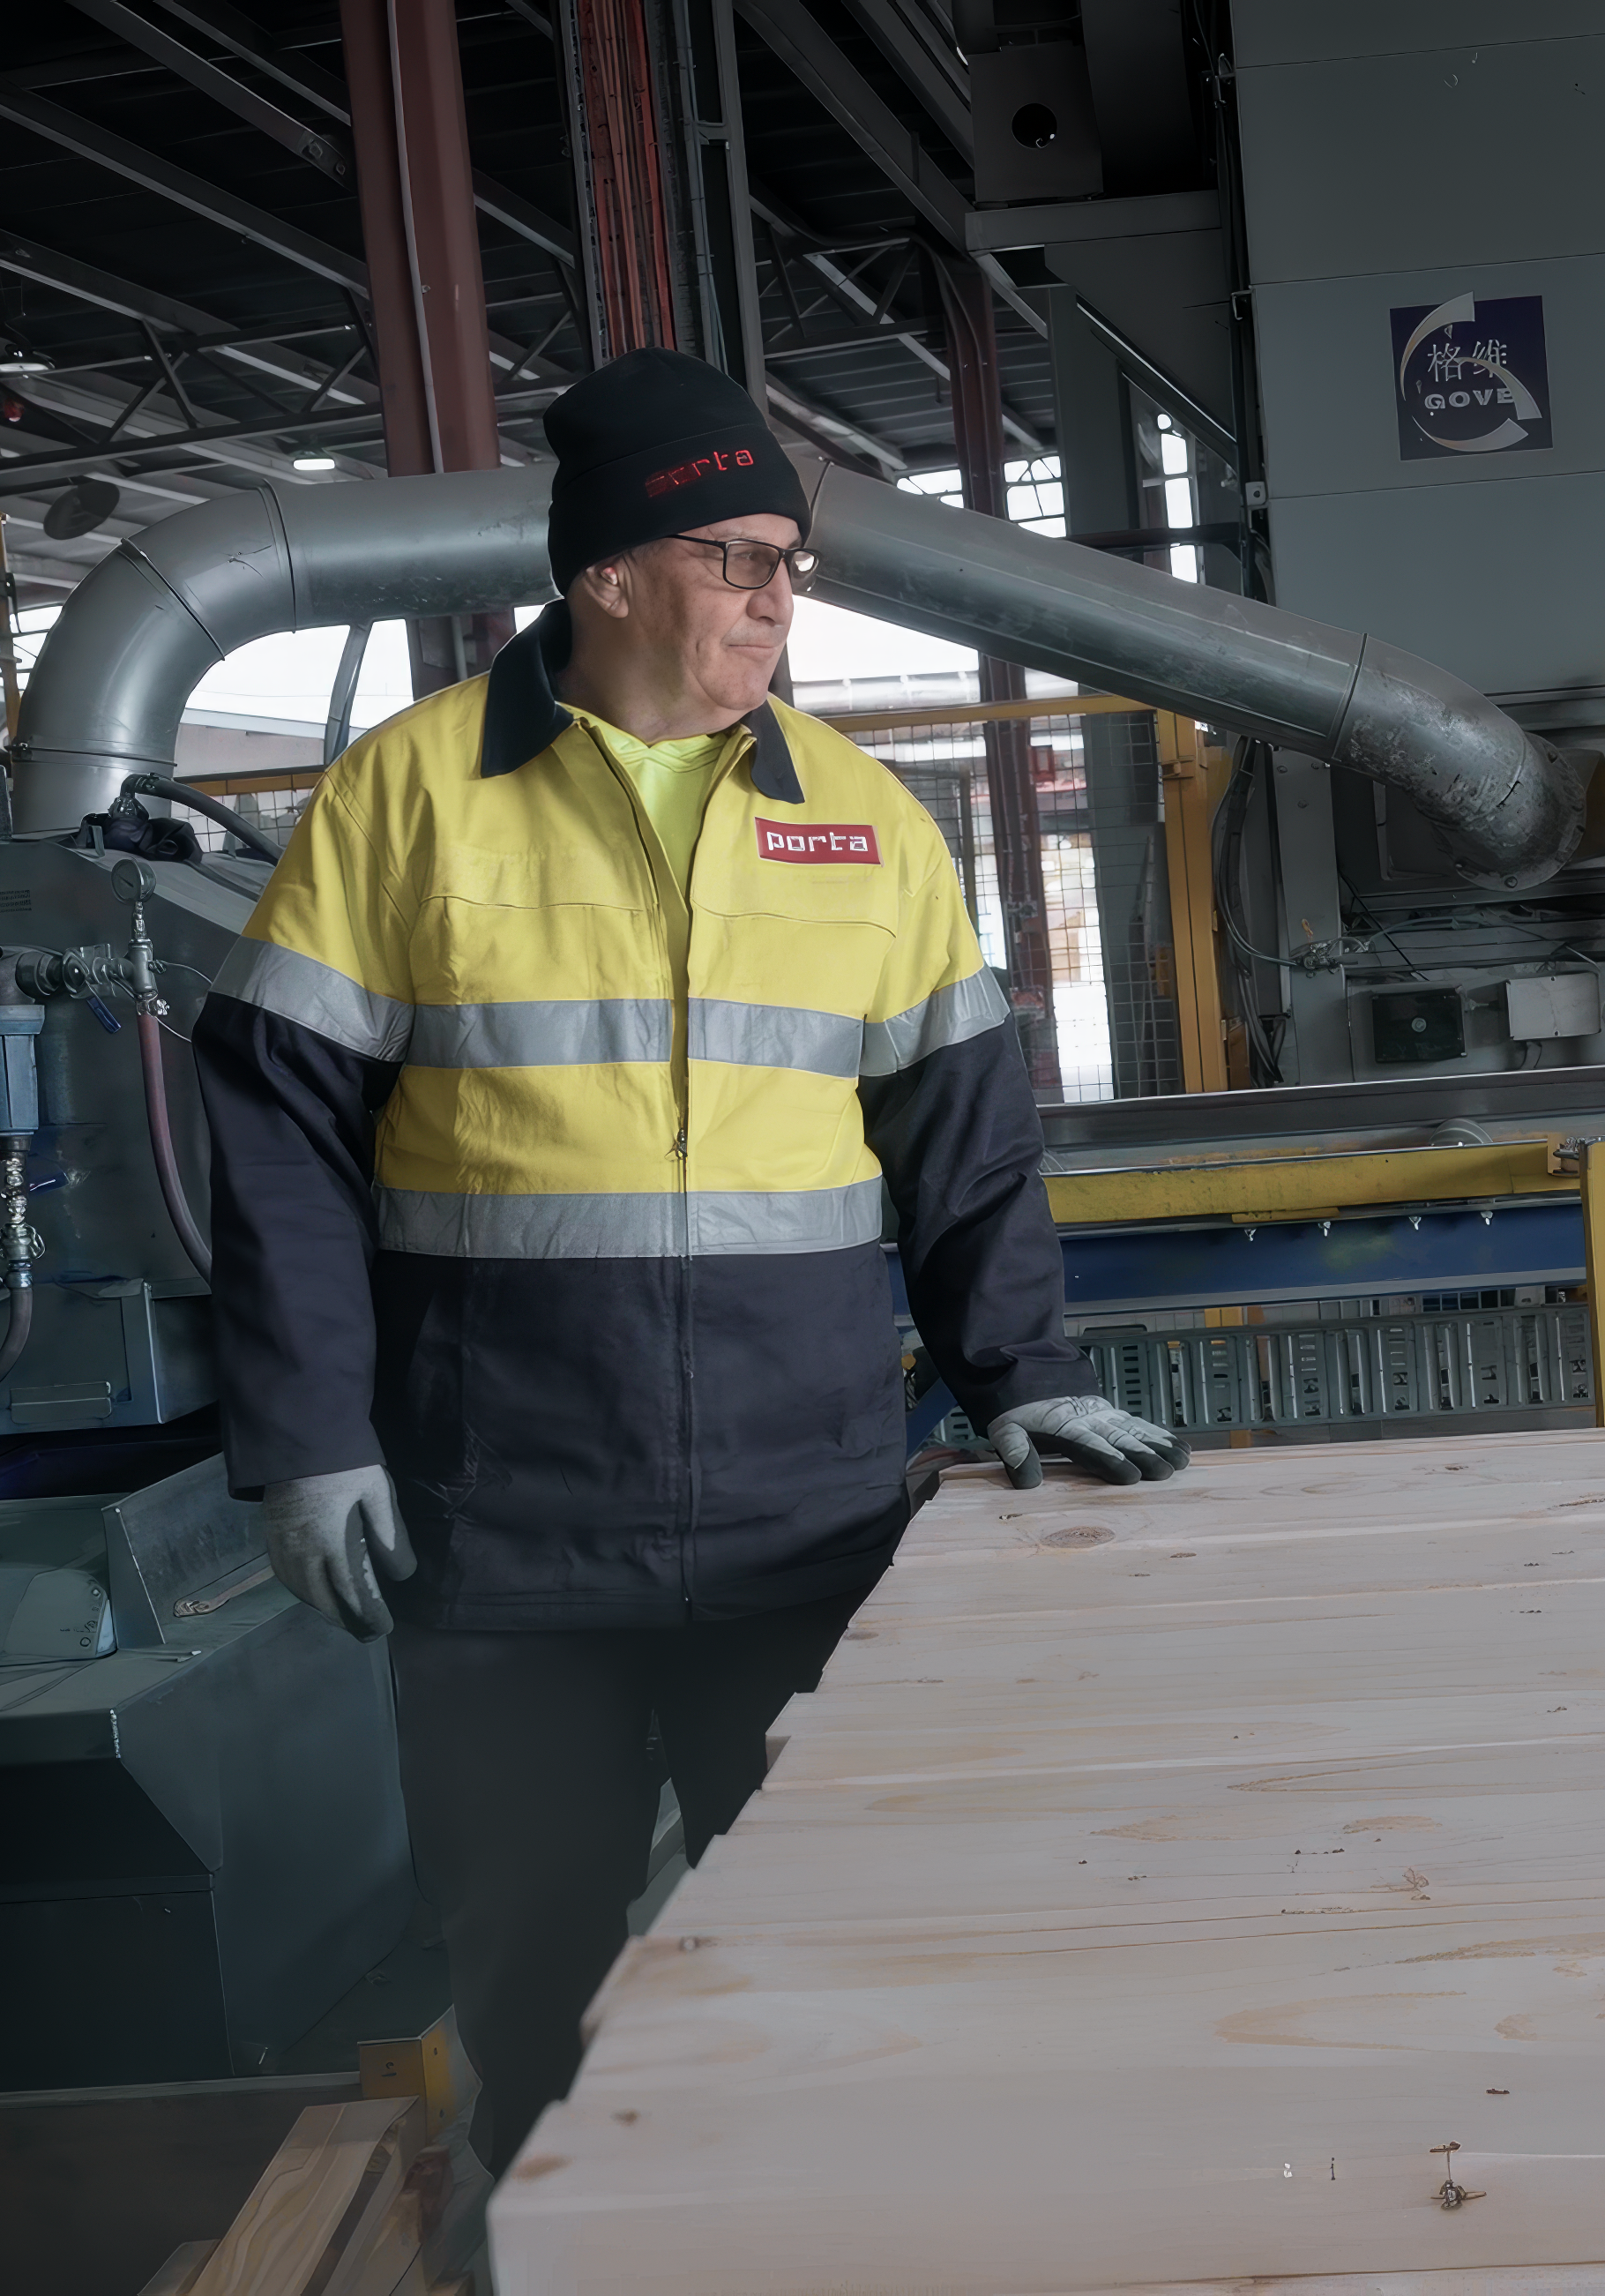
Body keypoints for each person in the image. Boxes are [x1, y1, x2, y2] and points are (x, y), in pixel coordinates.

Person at [193, 349, 1191, 2167]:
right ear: (608, 572)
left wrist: (1027, 1376)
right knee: (530, 1983)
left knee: (823, 1964)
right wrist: (307, 1435)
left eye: (790, 563)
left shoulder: (865, 822)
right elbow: (278, 1146)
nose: (778, 596)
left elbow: (962, 1149)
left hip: (798, 1525)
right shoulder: (404, 800)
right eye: (740, 555)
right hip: (503, 1535)